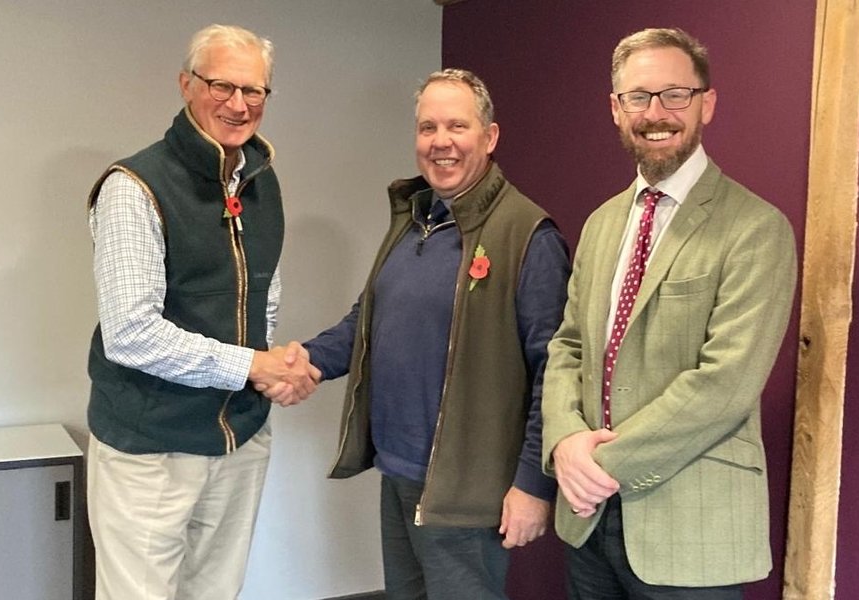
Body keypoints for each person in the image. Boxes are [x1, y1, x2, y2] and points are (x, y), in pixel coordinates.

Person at [541, 28, 797, 599]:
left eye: (674, 94)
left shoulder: (756, 229)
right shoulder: (602, 223)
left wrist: (601, 465)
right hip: (589, 525)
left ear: (707, 102)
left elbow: (725, 383)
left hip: (692, 533)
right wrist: (563, 442)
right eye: (638, 96)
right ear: (616, 109)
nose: (656, 113)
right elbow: (569, 347)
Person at [299, 69, 571, 599]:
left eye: (456, 126)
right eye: (427, 128)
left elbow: (555, 373)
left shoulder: (527, 235)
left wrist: (534, 486)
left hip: (468, 493)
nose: (440, 142)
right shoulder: (413, 220)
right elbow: (368, 321)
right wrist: (303, 361)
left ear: (489, 137)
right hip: (400, 473)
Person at [86, 24, 319, 600]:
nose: (238, 104)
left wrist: (274, 368)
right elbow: (131, 335)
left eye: (255, 90)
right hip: (150, 448)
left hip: (239, 439)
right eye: (222, 85)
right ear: (187, 85)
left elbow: (262, 295)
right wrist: (253, 367)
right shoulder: (133, 186)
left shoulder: (262, 182)